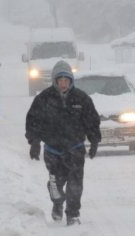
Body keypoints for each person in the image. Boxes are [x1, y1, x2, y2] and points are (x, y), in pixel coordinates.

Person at [25, 60, 101, 226]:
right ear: (55, 80)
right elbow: (33, 121)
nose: (64, 83)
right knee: (56, 183)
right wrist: (34, 143)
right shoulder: (43, 99)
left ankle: (72, 215)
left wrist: (94, 140)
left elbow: (92, 121)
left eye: (67, 80)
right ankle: (57, 203)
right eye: (60, 80)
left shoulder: (82, 98)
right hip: (53, 150)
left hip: (75, 149)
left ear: (71, 80)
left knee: (75, 184)